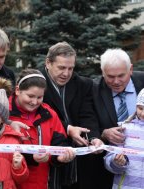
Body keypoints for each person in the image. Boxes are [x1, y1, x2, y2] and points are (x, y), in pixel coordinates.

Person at [41, 41, 103, 189]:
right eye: (61, 67)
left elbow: (87, 115)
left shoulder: (83, 84)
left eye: (71, 68)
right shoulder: (35, 81)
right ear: (48, 63)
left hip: (78, 162)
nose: (66, 73)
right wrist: (68, 129)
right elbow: (40, 116)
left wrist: (93, 137)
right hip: (47, 158)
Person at [9, 68, 76, 189]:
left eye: (40, 97)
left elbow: (60, 143)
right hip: (10, 182)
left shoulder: (49, 114)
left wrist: (59, 157)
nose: (34, 102)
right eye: (30, 96)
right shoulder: (3, 113)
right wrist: (31, 157)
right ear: (18, 90)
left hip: (41, 182)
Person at [93, 48, 144, 188]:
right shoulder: (94, 89)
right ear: (102, 73)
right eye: (110, 76)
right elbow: (88, 122)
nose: (116, 81)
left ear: (131, 69)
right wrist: (103, 134)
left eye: (121, 75)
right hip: (111, 173)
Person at [104, 88, 144, 189]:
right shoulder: (124, 128)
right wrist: (116, 162)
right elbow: (110, 156)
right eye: (140, 108)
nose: (142, 114)